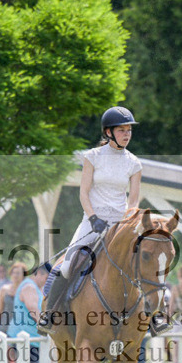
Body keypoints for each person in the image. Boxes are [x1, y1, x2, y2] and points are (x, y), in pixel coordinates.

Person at [39, 106, 143, 333]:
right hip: (92, 221)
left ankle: (154, 317)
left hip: (121, 223)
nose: (127, 134)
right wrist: (94, 217)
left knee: (143, 263)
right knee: (68, 264)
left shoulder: (134, 162)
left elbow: (133, 200)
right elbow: (83, 192)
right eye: (122, 130)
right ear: (108, 132)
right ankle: (49, 314)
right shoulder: (92, 157)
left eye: (129, 130)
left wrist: (126, 221)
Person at [6, 263, 50, 363]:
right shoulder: (29, 287)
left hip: (31, 335)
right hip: (23, 334)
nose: (46, 281)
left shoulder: (34, 287)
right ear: (40, 274)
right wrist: (44, 326)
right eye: (47, 278)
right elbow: (32, 308)